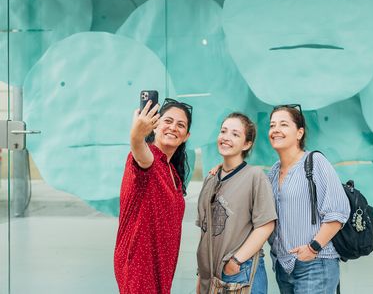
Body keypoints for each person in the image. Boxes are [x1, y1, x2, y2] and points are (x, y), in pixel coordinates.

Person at [267, 104, 350, 294]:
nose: (276, 130)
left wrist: (313, 248)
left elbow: (338, 212)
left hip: (315, 263)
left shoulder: (315, 162)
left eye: (283, 124)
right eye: (272, 125)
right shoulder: (272, 172)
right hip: (284, 267)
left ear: (299, 133)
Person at [114, 97, 193, 294]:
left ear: (186, 136)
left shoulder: (172, 172)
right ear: (155, 126)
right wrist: (136, 135)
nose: (173, 127)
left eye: (180, 125)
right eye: (168, 121)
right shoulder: (149, 159)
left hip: (161, 269)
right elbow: (139, 151)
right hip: (139, 267)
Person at [196, 112, 277, 294]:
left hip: (239, 272)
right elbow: (205, 232)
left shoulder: (254, 176)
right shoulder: (211, 179)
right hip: (210, 273)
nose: (226, 137)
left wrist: (236, 261)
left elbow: (266, 225)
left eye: (235, 134)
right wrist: (202, 277)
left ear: (247, 144)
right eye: (223, 131)